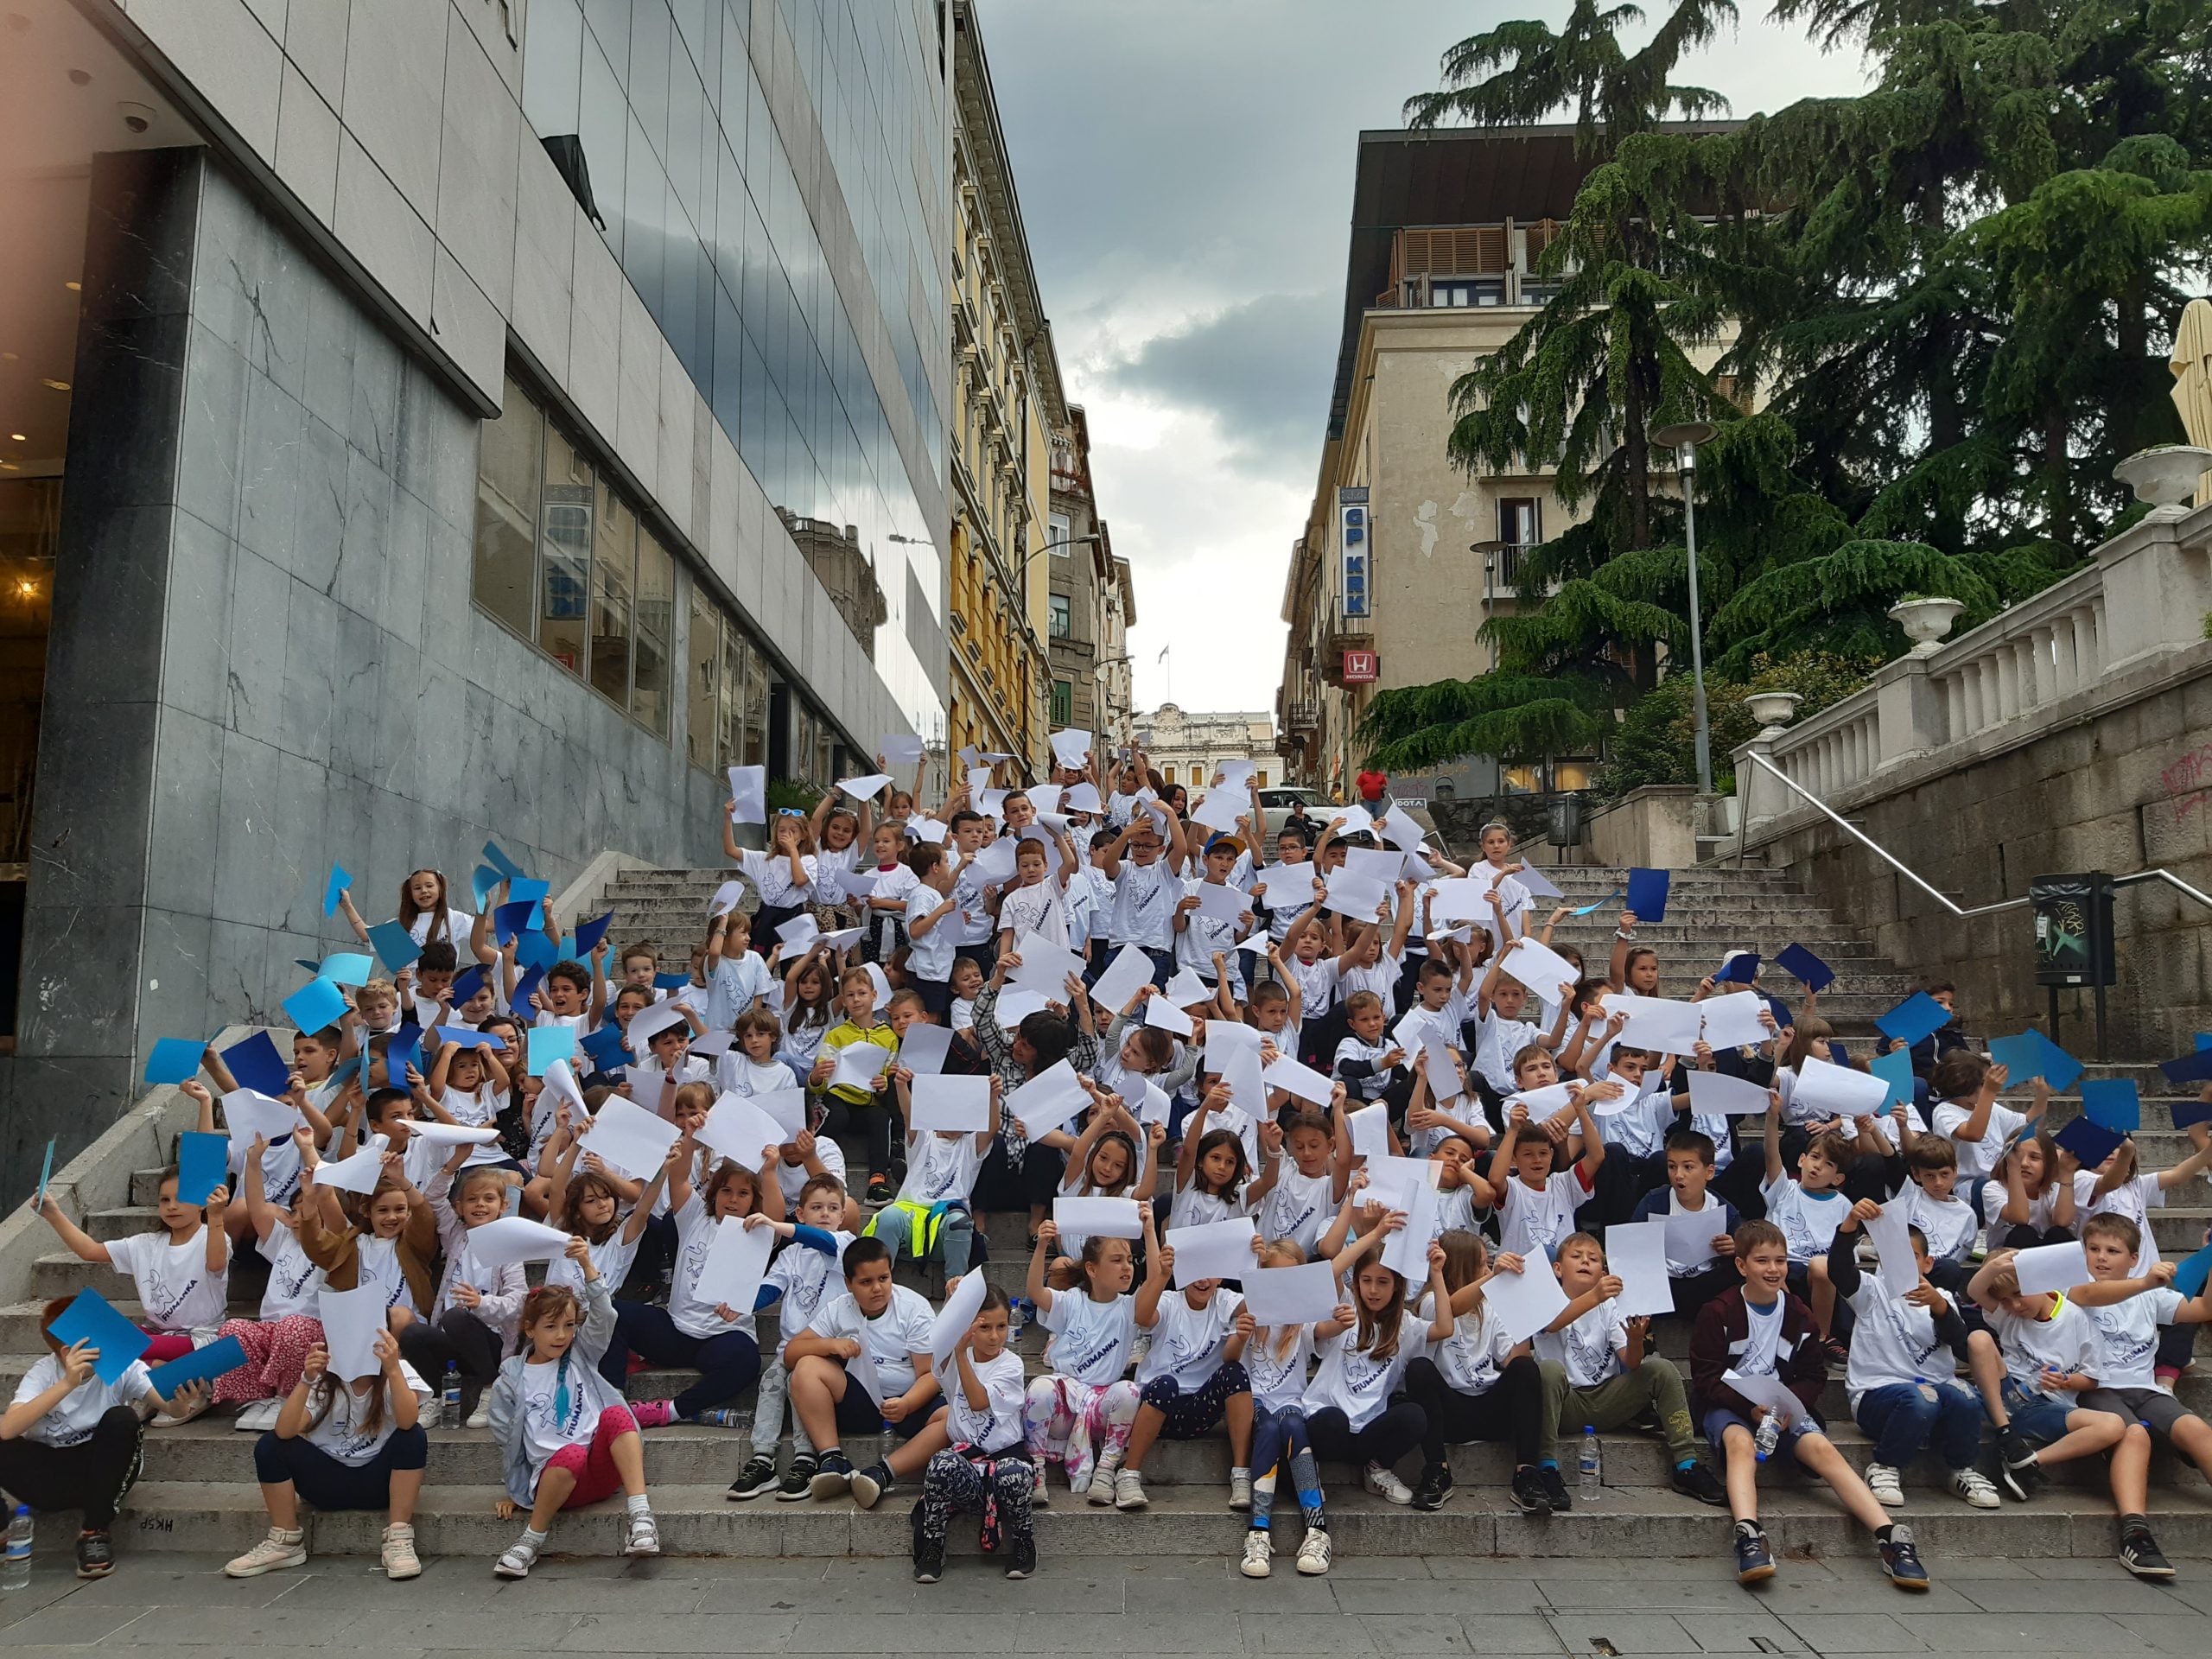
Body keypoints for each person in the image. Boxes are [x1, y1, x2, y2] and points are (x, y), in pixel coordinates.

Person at [1690, 1219, 1928, 1590]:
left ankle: (1890, 1537)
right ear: (1741, 1265)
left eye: (1781, 1261)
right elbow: (1707, 1377)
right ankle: (1749, 1534)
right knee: (1740, 1444)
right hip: (1732, 1407)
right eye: (1762, 1261)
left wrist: (1789, 1406)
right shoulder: (1718, 1312)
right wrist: (1748, 1409)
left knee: (1823, 1448)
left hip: (1783, 1408)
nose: (1773, 1269)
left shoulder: (1798, 1312)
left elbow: (1813, 1375)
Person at [0, 1298, 206, 1578]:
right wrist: (67, 1384)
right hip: (53, 1474)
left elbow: (168, 1406)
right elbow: (8, 1429)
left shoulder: (123, 1366)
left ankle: (94, 1532)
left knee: (123, 1418)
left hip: (106, 1469)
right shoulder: (44, 1373)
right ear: (68, 1352)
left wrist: (181, 1403)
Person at [1826, 1198, 1999, 1510]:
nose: (1902, 1261)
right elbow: (1838, 1269)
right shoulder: (1871, 1290)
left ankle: (1961, 1470)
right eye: (1894, 1254)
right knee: (1920, 1399)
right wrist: (1850, 1224)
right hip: (1877, 1396)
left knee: (1967, 1396)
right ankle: (1885, 1465)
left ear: (1927, 1264)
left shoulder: (1942, 1297)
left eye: (1912, 1255)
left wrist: (1939, 1307)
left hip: (1935, 1396)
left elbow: (1958, 1340)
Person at [1962, 1246, 2142, 1542]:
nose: (2014, 1305)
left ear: (2041, 1281)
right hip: (2004, 1392)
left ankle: (2028, 1461)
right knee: (1979, 1338)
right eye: (2005, 1300)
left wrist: (2066, 1381)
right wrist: (1994, 1268)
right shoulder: (2006, 1315)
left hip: (2047, 1405)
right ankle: (2005, 1433)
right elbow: (1974, 1290)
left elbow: (2092, 1378)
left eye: (2019, 1293)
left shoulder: (2075, 1317)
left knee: (2113, 1425)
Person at [488, 1268, 660, 1576]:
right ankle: (531, 1540)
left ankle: (641, 1517)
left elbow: (605, 1314)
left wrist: (587, 1267)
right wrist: (516, 1491)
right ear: (529, 1329)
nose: (561, 1335)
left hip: (600, 1471)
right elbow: (507, 1441)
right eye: (550, 1327)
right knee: (571, 1454)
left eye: (569, 1326)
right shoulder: (510, 1381)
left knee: (617, 1414)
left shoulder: (582, 1353)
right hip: (555, 1480)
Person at [1533, 1232, 1726, 1507]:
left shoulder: (1609, 1305)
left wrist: (1636, 1340)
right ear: (1558, 1269)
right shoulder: (1546, 1299)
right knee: (1549, 1370)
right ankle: (1546, 1467)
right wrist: (1595, 1296)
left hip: (1608, 1399)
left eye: (1593, 1259)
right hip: (1564, 1405)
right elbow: (1551, 1325)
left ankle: (1686, 1464)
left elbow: (1632, 1363)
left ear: (1603, 1272)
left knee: (1662, 1369)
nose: (1585, 1261)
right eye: (1576, 1257)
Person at [224, 1327, 429, 1582]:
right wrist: (306, 1379)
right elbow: (285, 1431)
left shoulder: (399, 1370)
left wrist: (393, 1370)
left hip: (381, 1483)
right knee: (270, 1446)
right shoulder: (324, 1381)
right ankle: (285, 1541)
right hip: (328, 1483)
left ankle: (398, 1537)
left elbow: (407, 1420)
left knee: (413, 1436)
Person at [2073, 1213, 2212, 1577]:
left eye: (2113, 1251)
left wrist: (2211, 1258)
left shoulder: (2151, 1295)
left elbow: (2203, 1309)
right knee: (2135, 1434)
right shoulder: (2073, 1286)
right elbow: (2090, 1296)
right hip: (2095, 1388)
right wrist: (2147, 1281)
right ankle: (2135, 1534)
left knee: (2196, 1429)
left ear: (2133, 1258)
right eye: (2093, 1249)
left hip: (2144, 1389)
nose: (2101, 1257)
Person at [37, 1169, 228, 1421]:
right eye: (164, 1200)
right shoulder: (145, 1244)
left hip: (199, 1340)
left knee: (120, 1347)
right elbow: (90, 1251)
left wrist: (216, 1216)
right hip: (155, 1335)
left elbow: (216, 1263)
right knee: (96, 1339)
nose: (172, 1206)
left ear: (202, 1202)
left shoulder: (213, 1236)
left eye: (180, 1198)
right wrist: (52, 1214)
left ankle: (174, 1384)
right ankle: (166, 1381)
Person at [1398, 1230, 1557, 1515]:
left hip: (1488, 1408)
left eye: (1488, 1264)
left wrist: (1526, 1317)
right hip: (1448, 1413)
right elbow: (1453, 1308)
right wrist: (1493, 1277)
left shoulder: (1491, 1306)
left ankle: (1526, 1473)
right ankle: (1437, 1470)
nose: (1487, 1269)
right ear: (1462, 1266)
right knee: (1419, 1369)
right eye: (1482, 1264)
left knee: (1526, 1368)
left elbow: (1513, 1359)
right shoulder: (1432, 1301)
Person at [1300, 1215, 1452, 1510]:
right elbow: (1331, 1270)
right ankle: (1308, 1466)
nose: (1373, 1290)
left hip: (1369, 1431)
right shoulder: (1345, 1307)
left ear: (1396, 1287)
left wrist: (1436, 1273)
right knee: (1333, 1420)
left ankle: (1377, 1469)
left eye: (1383, 1282)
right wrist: (1375, 1234)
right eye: (1366, 1281)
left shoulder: (1404, 1325)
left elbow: (1445, 1328)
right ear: (1356, 1283)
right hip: (1329, 1426)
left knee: (1414, 1415)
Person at [785, 1236, 942, 1510]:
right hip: (862, 1401)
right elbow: (791, 1353)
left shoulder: (914, 1308)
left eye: (883, 1278)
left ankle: (882, 1473)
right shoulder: (840, 1308)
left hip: (910, 1401)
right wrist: (829, 1344)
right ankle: (833, 1459)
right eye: (866, 1282)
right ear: (849, 1283)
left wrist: (907, 1404)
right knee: (806, 1366)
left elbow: (930, 1375)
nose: (877, 1288)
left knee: (951, 1418)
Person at [1022, 1209, 1166, 1503]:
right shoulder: (1072, 1301)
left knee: (1129, 1391)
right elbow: (1035, 1291)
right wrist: (1041, 1247)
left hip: (1101, 1407)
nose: (1127, 1267)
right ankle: (1035, 1470)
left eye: (1129, 1260)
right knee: (1039, 1388)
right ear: (1092, 1269)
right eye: (1116, 1260)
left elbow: (1155, 1279)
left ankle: (1105, 1471)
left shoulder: (1129, 1307)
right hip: (1064, 1405)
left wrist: (1150, 1232)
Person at [726, 1178, 855, 1501]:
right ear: (800, 1213)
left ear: (842, 1216)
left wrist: (775, 1226)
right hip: (791, 1349)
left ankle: (805, 1457)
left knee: (800, 1383)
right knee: (771, 1380)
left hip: (827, 1352)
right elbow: (771, 1289)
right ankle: (763, 1458)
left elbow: (821, 1240)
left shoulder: (845, 1242)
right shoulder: (791, 1254)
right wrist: (740, 1305)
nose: (825, 1214)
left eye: (833, 1208)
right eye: (816, 1207)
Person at [913, 1286, 1035, 1584]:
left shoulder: (1011, 1364)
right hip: (968, 1472)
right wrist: (954, 1300)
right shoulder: (956, 1358)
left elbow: (979, 1401)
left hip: (1004, 1467)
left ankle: (1023, 1542)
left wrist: (961, 1355)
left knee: (1013, 1472)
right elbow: (940, 1337)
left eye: (1001, 1326)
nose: (994, 1336)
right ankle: (933, 1546)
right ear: (969, 1327)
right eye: (984, 1327)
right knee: (941, 1462)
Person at [1114, 1249, 1252, 1512]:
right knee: (1166, 1384)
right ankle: (1129, 1474)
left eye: (1210, 1273)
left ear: (1221, 1278)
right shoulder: (1169, 1301)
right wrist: (1162, 1275)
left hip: (1200, 1407)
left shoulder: (1224, 1301)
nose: (1202, 1280)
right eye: (1195, 1271)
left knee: (1235, 1373)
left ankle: (1241, 1474)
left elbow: (1261, 1302)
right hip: (1158, 1405)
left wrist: (1258, 1261)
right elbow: (1142, 1317)